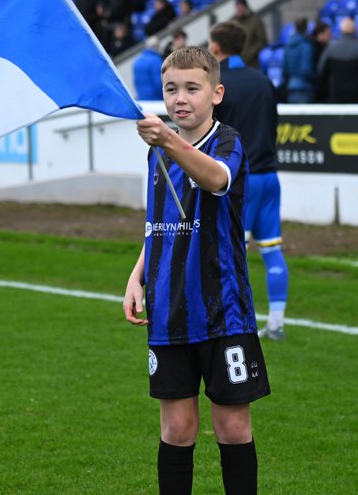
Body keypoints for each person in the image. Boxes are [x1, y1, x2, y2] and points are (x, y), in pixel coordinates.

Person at [124, 46, 270, 495]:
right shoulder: (157, 153)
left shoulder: (227, 142)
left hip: (224, 313)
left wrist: (169, 139)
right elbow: (162, 223)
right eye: (171, 89)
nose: (180, 98)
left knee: (231, 427)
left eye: (192, 88)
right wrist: (138, 275)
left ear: (216, 93)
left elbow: (216, 180)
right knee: (177, 429)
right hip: (169, 312)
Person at [209, 22, 288, 341]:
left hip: (241, 181)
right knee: (271, 250)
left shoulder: (219, 85)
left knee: (230, 254)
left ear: (216, 48)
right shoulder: (264, 81)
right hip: (270, 177)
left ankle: (233, 324)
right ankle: (277, 324)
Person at [317, 17, 358, 103]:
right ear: (355, 31)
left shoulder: (331, 48)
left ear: (340, 31)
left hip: (336, 95)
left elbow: (321, 70)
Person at [280, 18, 316, 104]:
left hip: (291, 87)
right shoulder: (307, 46)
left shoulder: (288, 46)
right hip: (305, 89)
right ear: (306, 29)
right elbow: (306, 70)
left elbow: (285, 71)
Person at [232, 0, 269, 68]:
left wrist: (250, 53)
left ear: (245, 7)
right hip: (236, 63)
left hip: (252, 63)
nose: (239, 9)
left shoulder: (255, 20)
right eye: (237, 7)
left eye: (241, 6)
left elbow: (262, 40)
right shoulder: (233, 21)